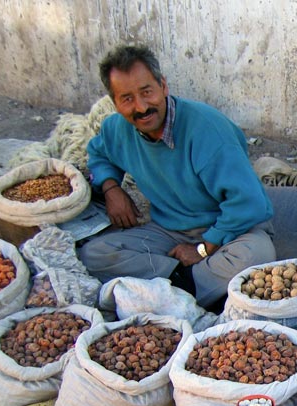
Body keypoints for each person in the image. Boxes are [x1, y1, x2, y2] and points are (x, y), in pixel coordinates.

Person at [78, 44, 276, 309]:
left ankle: (171, 290)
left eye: (147, 92)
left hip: (229, 229)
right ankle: (190, 286)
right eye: (127, 98)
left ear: (163, 86)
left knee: (257, 254)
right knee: (94, 254)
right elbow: (98, 154)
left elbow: (249, 203)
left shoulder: (207, 131)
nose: (141, 107)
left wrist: (202, 250)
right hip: (168, 231)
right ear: (115, 103)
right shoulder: (116, 129)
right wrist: (112, 188)